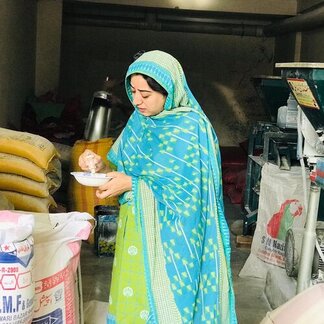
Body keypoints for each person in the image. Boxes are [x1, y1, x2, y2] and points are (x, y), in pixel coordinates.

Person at [78, 50, 237, 323]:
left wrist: (132, 184)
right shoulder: (139, 122)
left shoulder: (191, 128)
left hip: (174, 238)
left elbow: (191, 194)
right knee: (133, 299)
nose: (137, 100)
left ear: (169, 91)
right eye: (133, 91)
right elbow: (123, 171)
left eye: (146, 94)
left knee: (168, 307)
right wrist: (98, 167)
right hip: (137, 229)